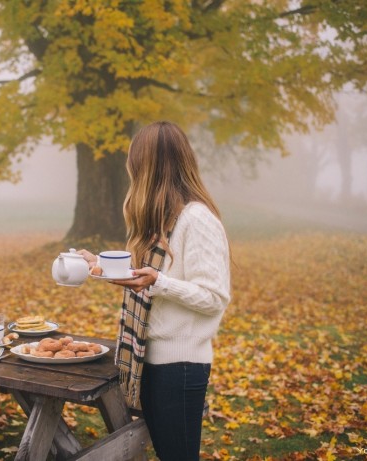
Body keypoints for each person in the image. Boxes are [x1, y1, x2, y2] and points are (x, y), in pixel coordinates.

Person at [78, 121, 230, 461]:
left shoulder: (197, 220)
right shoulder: (163, 221)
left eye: (137, 162)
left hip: (181, 365)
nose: (131, 170)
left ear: (151, 167)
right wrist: (99, 263)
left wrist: (157, 283)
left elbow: (214, 297)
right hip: (150, 360)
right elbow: (146, 274)